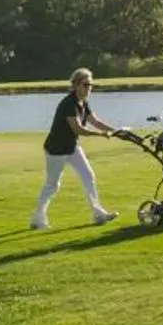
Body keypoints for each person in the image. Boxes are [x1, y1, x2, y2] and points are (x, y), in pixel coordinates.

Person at [32, 69, 122, 230]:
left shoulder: (83, 102)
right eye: (85, 85)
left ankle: (98, 214)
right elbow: (78, 129)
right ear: (75, 85)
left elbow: (95, 121)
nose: (89, 88)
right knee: (52, 186)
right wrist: (102, 134)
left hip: (71, 147)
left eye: (90, 85)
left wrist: (117, 131)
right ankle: (37, 219)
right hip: (56, 149)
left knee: (88, 176)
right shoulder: (68, 103)